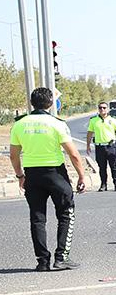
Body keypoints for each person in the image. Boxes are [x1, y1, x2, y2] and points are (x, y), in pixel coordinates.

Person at [8, 88, 87, 271]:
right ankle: (61, 258)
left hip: (32, 175)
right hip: (55, 174)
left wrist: (20, 175)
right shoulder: (56, 124)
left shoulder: (19, 125)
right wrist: (81, 176)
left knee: (37, 218)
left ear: (31, 103)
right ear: (51, 103)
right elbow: (73, 154)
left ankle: (42, 261)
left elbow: (13, 155)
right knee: (66, 213)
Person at [86, 101, 116, 191]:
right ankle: (103, 185)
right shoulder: (93, 120)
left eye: (104, 108)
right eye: (100, 108)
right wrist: (88, 145)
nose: (102, 109)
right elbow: (90, 133)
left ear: (108, 109)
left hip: (111, 146)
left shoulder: (113, 119)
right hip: (100, 147)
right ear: (98, 109)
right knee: (102, 167)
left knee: (113, 166)